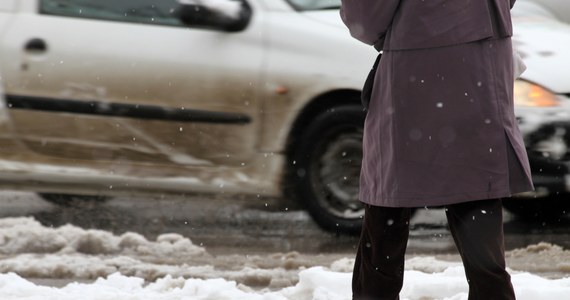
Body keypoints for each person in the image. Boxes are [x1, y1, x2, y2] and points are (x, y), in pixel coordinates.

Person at [339, 0, 534, 299]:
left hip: (416, 64)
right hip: (481, 61)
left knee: (388, 204)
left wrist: (395, 34)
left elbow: (365, 16)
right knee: (475, 195)